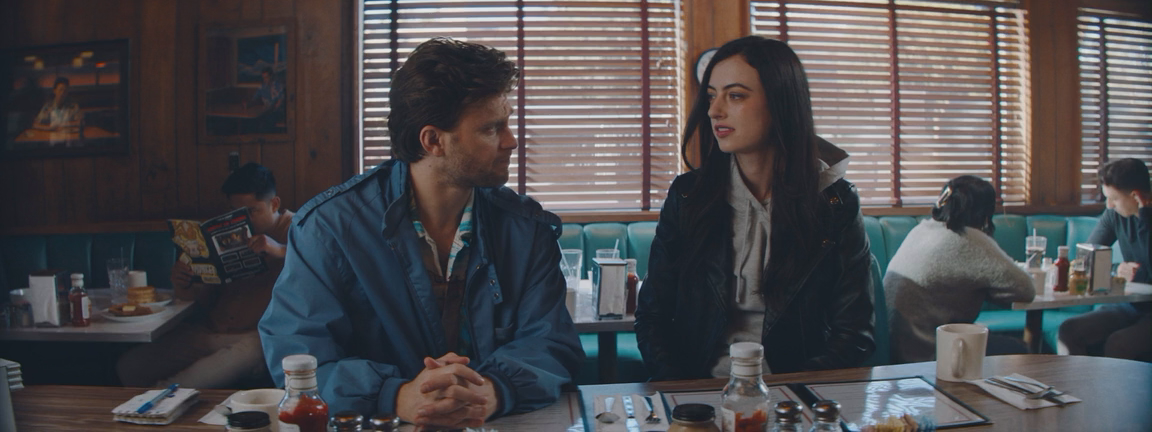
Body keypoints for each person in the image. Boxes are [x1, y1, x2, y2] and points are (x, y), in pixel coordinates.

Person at [258, 38, 583, 430]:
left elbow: (551, 343)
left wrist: (491, 391)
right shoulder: (329, 228)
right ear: (432, 141)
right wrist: (397, 396)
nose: (511, 140)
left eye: (507, 122)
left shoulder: (526, 228)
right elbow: (298, 358)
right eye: (491, 128)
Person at [634, 35, 875, 381]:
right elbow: (652, 317)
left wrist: (793, 396)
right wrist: (684, 393)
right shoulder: (688, 196)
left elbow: (854, 335)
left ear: (781, 102)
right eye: (712, 96)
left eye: (735, 96)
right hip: (697, 390)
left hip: (796, 393)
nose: (715, 111)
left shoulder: (836, 202)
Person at [117, 163, 294, 388]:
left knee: (255, 348)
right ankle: (159, 398)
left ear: (274, 204)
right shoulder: (224, 234)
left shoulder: (297, 228)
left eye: (251, 211)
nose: (244, 221)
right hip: (209, 332)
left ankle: (164, 397)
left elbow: (323, 264)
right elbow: (199, 300)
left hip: (257, 338)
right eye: (235, 212)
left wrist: (279, 250)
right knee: (130, 368)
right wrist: (183, 283)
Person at [884, 176, 1035, 364]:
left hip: (891, 348)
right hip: (928, 352)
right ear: (984, 212)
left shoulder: (922, 230)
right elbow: (1026, 289)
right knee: (1018, 349)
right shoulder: (969, 239)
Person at [1059, 158, 1151, 360]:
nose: (1109, 205)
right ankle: (1079, 382)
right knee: (1069, 331)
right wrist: (1117, 269)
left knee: (1118, 344)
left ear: (1135, 196)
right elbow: (1085, 258)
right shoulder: (1113, 215)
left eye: (1114, 199)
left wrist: (1145, 217)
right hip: (1131, 305)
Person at [245, 67, 285, 133]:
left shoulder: (278, 86)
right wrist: (248, 104)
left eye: (266, 77)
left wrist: (271, 109)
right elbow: (255, 99)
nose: (265, 80)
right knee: (253, 122)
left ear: (271, 76)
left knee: (266, 123)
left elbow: (280, 102)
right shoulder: (262, 87)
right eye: (263, 78)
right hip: (265, 112)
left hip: (277, 112)